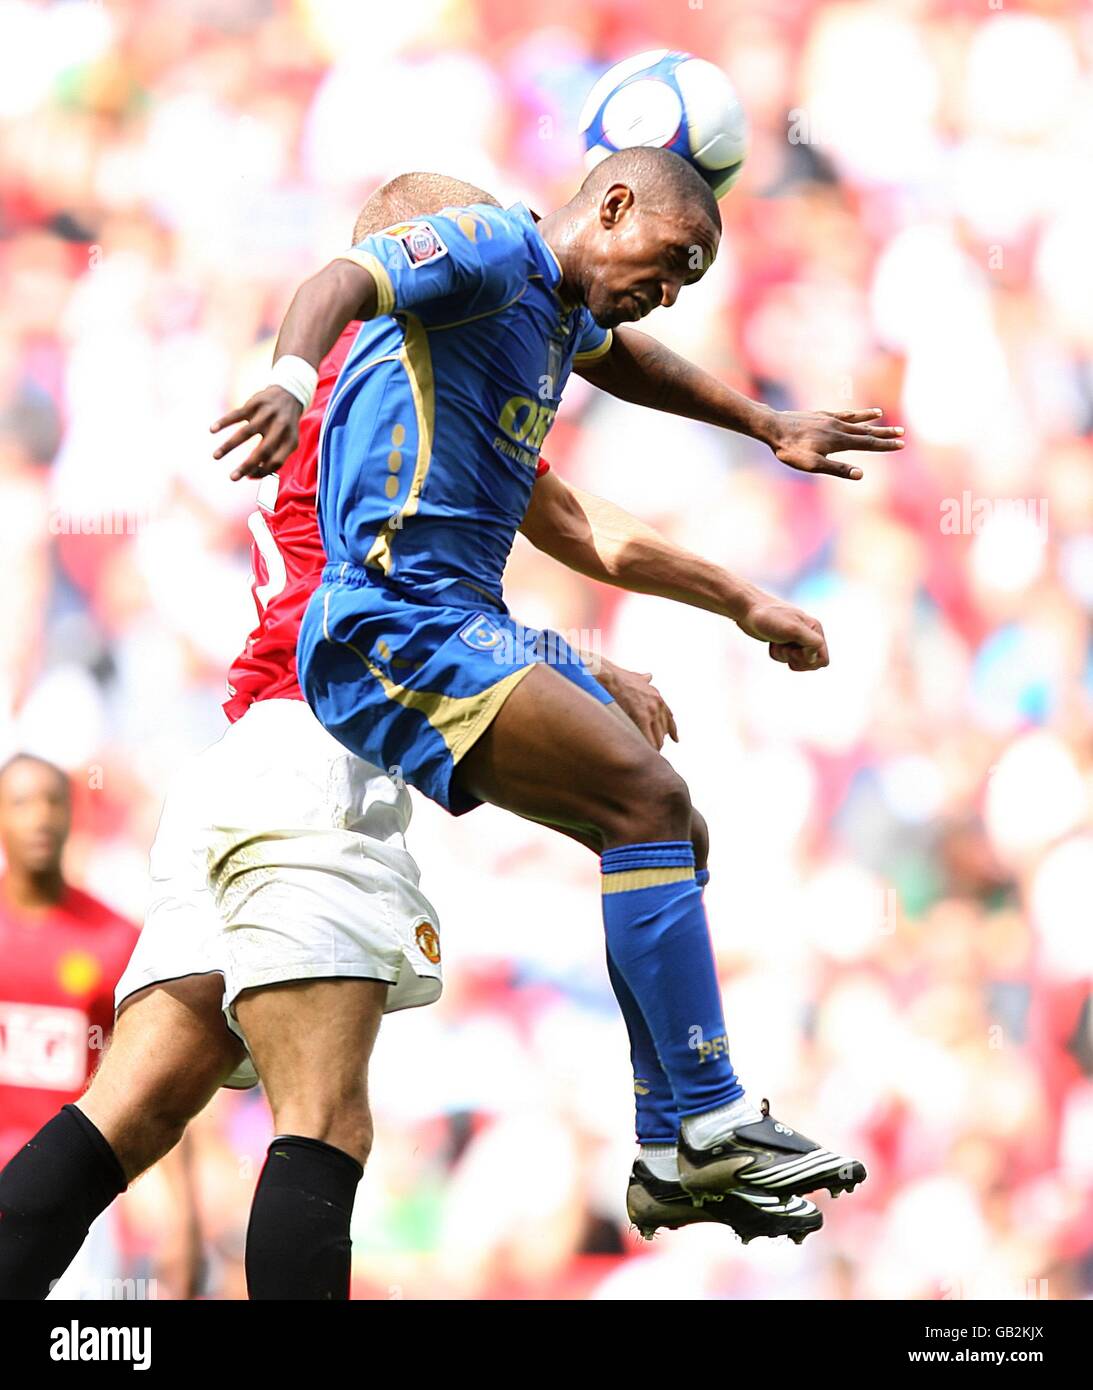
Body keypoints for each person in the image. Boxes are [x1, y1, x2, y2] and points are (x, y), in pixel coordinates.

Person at [0, 171, 832, 1305]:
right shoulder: (383, 369)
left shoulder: (414, 388)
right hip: (319, 764)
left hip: (241, 760)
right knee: (326, 1118)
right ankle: (690, 1119)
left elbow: (533, 539)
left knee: (130, 1109)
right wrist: (598, 652)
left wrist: (665, 626)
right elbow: (415, 590)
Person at [214, 149, 901, 1246]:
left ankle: (674, 1141)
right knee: (638, 795)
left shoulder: (545, 319)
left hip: (456, 624)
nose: (670, 292)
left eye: (690, 281)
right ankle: (702, 1124)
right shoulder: (492, 251)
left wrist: (767, 427)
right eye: (673, 261)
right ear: (612, 204)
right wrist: (290, 379)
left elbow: (626, 362)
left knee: (675, 820)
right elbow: (343, 276)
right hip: (384, 618)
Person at [0, 753, 201, 1298]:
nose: (40, 817)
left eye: (53, 802)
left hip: (70, 1192)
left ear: (72, 816)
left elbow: (157, 1078)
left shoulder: (115, 940)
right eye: (21, 803)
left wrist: (180, 1214)